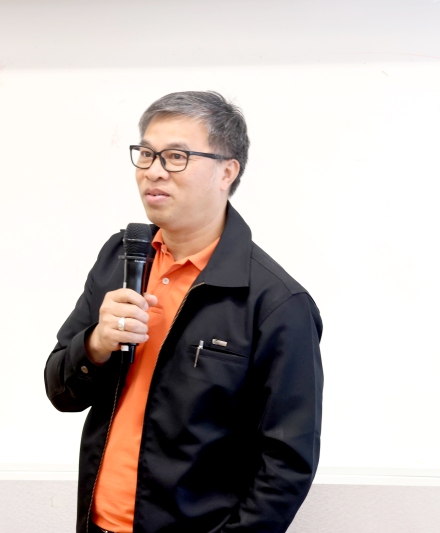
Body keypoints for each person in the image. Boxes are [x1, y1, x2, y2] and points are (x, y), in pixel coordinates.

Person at [44, 91, 323, 533]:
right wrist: (95, 344)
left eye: (176, 156)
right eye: (146, 154)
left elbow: (286, 465)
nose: (154, 171)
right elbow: (61, 392)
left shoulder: (275, 302)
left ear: (227, 172)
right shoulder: (120, 257)